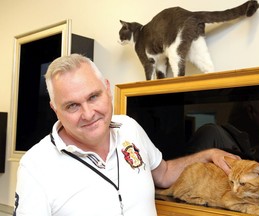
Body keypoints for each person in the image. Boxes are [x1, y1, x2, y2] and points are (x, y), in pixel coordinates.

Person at [13, 54, 239, 216]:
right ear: (55, 109)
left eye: (93, 97)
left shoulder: (129, 127)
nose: (89, 113)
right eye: (72, 106)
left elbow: (164, 173)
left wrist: (207, 154)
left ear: (108, 89)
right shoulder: (35, 166)